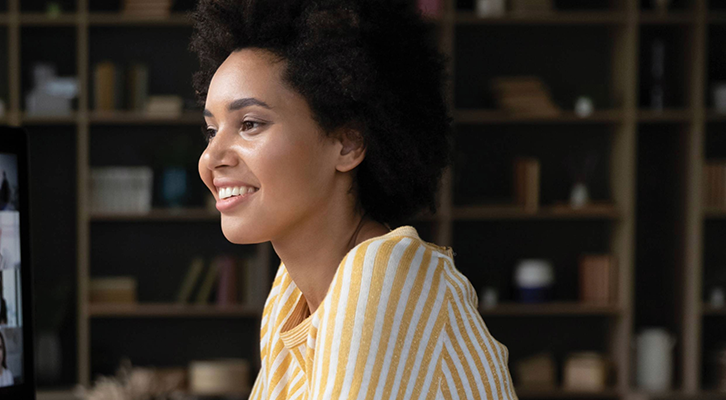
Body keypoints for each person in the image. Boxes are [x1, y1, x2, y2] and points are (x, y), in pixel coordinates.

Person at [190, 1, 515, 399]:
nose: (211, 158)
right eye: (211, 131)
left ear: (347, 144)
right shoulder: (290, 296)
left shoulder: (384, 275)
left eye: (250, 124)